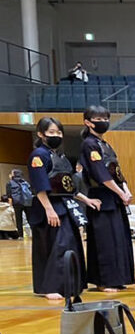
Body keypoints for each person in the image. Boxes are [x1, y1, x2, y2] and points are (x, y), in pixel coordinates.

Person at [25, 117, 95, 299]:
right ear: (41, 134)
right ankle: (50, 287)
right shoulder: (38, 155)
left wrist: (87, 200)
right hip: (48, 207)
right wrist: (49, 209)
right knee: (57, 246)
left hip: (65, 206)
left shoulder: (60, 157)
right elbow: (39, 186)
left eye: (58, 132)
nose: (56, 135)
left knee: (71, 244)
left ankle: (70, 285)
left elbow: (68, 186)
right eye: (51, 132)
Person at [79, 104, 135, 292]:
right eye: (98, 119)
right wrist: (120, 192)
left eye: (105, 119)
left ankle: (118, 278)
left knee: (118, 239)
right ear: (88, 122)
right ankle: (103, 281)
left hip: (115, 198)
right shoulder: (89, 144)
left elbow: (116, 172)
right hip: (101, 198)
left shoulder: (106, 145)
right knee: (105, 242)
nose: (103, 122)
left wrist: (125, 190)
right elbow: (100, 174)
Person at [6, 169, 33, 239]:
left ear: (14, 174)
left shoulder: (9, 183)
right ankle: (34, 233)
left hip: (17, 203)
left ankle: (21, 236)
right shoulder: (25, 182)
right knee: (30, 218)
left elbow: (9, 195)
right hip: (27, 202)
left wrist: (10, 205)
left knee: (19, 219)